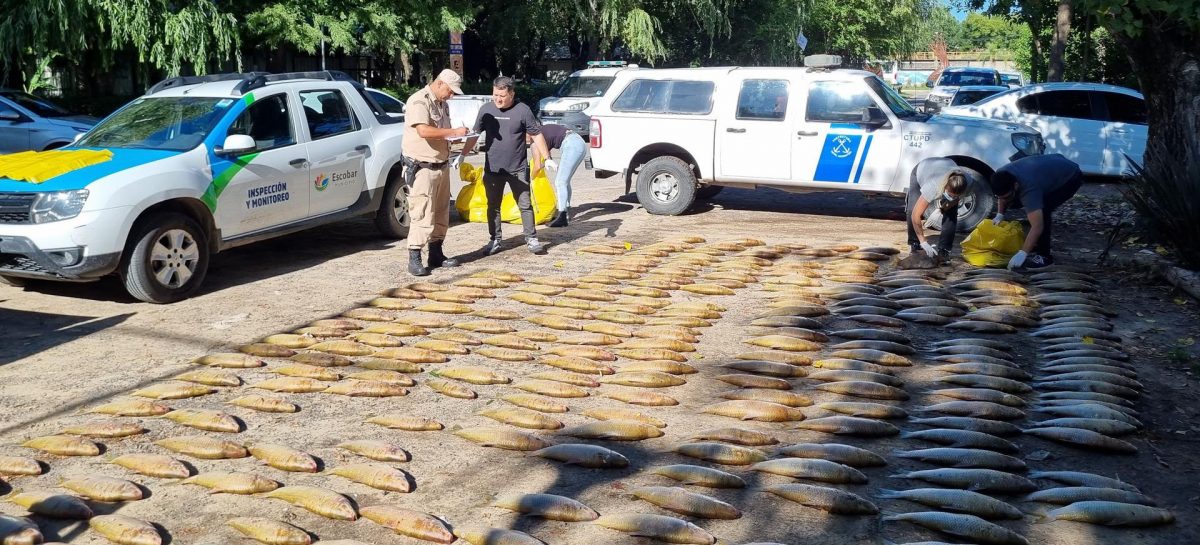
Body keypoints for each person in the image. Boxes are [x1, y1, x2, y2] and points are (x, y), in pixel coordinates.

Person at [463, 77, 551, 255]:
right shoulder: (486, 110)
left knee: (525, 205)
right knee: (493, 205)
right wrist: (463, 154)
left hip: (517, 168)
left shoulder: (522, 110)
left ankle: (532, 239)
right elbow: (474, 134)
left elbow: (536, 134)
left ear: (512, 94)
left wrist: (547, 157)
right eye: (495, 95)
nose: (498, 99)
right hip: (493, 169)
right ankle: (494, 239)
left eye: (502, 95)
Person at [401, 69, 469, 276]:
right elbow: (424, 131)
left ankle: (436, 252)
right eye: (450, 91)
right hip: (422, 167)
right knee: (422, 211)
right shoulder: (419, 101)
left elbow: (441, 132)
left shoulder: (442, 104)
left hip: (441, 165)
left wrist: (454, 138)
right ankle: (414, 257)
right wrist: (453, 133)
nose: (451, 95)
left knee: (440, 211)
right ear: (439, 84)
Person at [989, 153, 1083, 270]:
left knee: (1043, 212)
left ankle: (1044, 257)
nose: (1003, 200)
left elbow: (1037, 226)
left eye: (1007, 196)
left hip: (1070, 177)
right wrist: (1000, 214)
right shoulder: (1000, 174)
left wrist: (1023, 253)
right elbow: (1002, 196)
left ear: (1016, 185)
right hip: (1049, 166)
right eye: (1000, 197)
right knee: (1021, 204)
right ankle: (1033, 243)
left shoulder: (1029, 188)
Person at [905, 157, 969, 263]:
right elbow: (915, 215)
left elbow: (954, 200)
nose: (952, 198)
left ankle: (944, 249)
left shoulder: (967, 182)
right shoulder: (933, 186)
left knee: (951, 214)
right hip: (922, 169)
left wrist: (942, 209)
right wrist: (923, 241)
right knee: (912, 209)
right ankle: (914, 243)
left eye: (955, 196)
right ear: (944, 187)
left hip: (945, 165)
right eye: (949, 194)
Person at [531, 123, 588, 227]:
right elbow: (547, 157)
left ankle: (562, 216)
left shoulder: (535, 140)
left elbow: (537, 166)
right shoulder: (541, 131)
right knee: (565, 181)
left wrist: (531, 178)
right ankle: (565, 211)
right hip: (578, 142)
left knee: (560, 182)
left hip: (571, 145)